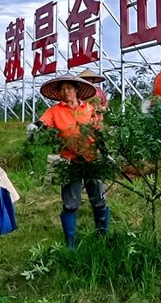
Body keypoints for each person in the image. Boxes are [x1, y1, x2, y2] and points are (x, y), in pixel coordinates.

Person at [27, 75, 108, 248]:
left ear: (76, 89)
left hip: (92, 159)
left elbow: (99, 132)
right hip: (70, 161)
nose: (66, 92)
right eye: (62, 89)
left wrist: (105, 152)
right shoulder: (55, 111)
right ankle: (70, 244)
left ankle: (103, 236)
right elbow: (43, 122)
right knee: (70, 204)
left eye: (69, 88)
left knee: (99, 199)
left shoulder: (89, 109)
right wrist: (35, 126)